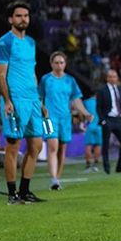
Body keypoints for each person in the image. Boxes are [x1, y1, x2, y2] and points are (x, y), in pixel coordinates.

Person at [0, 1, 50, 204]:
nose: (23, 19)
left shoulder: (31, 43)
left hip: (32, 100)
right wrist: (7, 100)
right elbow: (0, 75)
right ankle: (12, 194)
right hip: (16, 99)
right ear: (11, 19)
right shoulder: (4, 43)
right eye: (18, 16)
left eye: (26, 16)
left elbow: (32, 72)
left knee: (35, 145)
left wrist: (39, 100)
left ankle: (25, 190)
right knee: (13, 146)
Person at [39, 51, 87, 190]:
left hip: (65, 118)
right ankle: (53, 178)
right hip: (48, 118)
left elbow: (76, 99)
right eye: (56, 62)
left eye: (61, 62)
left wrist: (84, 112)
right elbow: (39, 97)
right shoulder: (46, 79)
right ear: (51, 64)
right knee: (52, 145)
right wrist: (43, 110)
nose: (59, 65)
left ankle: (57, 179)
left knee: (62, 148)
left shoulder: (70, 80)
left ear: (65, 64)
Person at [96, 69, 121, 174]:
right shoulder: (102, 90)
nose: (112, 78)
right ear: (107, 78)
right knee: (106, 144)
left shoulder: (119, 89)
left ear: (117, 78)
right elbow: (98, 107)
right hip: (108, 119)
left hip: (118, 119)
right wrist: (103, 121)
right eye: (110, 76)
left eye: (114, 76)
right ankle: (106, 166)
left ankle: (120, 166)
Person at [82, 96, 102, 173]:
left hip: (89, 125)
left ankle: (88, 165)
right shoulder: (101, 101)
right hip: (99, 126)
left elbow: (81, 112)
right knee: (98, 145)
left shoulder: (86, 101)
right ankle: (95, 165)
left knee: (88, 145)